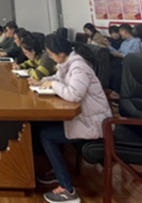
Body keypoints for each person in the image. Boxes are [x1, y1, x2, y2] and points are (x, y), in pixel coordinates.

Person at [34, 35, 112, 203]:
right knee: (43, 125)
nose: (51, 58)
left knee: (47, 135)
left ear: (61, 53)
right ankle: (57, 169)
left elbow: (74, 94)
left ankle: (67, 190)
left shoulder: (79, 67)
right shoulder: (67, 63)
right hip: (84, 117)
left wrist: (52, 85)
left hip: (94, 123)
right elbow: (57, 78)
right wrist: (41, 81)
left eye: (51, 54)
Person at [108, 24, 141, 92]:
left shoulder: (136, 41)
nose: (120, 34)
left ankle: (116, 91)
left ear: (125, 31)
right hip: (119, 60)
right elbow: (118, 52)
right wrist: (108, 46)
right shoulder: (124, 42)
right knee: (109, 66)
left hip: (129, 62)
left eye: (120, 32)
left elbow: (135, 55)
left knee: (116, 69)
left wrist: (120, 55)